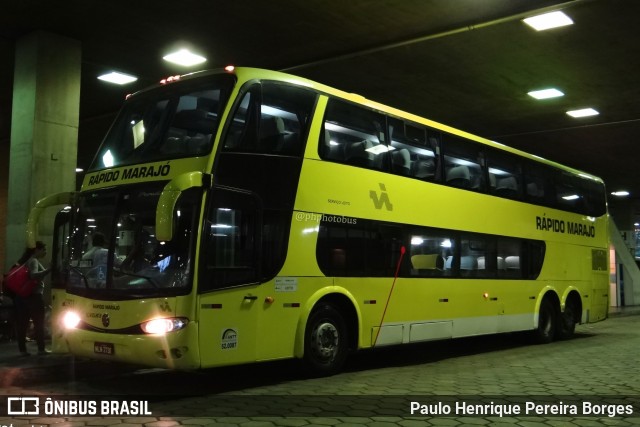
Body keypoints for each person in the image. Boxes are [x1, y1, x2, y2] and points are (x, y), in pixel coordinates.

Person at [14, 240, 51, 356]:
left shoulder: (25, 261)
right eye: (44, 249)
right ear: (37, 250)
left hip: (22, 297)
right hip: (34, 297)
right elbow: (34, 275)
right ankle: (41, 349)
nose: (45, 252)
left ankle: (22, 350)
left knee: (23, 324)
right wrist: (49, 270)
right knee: (39, 323)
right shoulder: (33, 261)